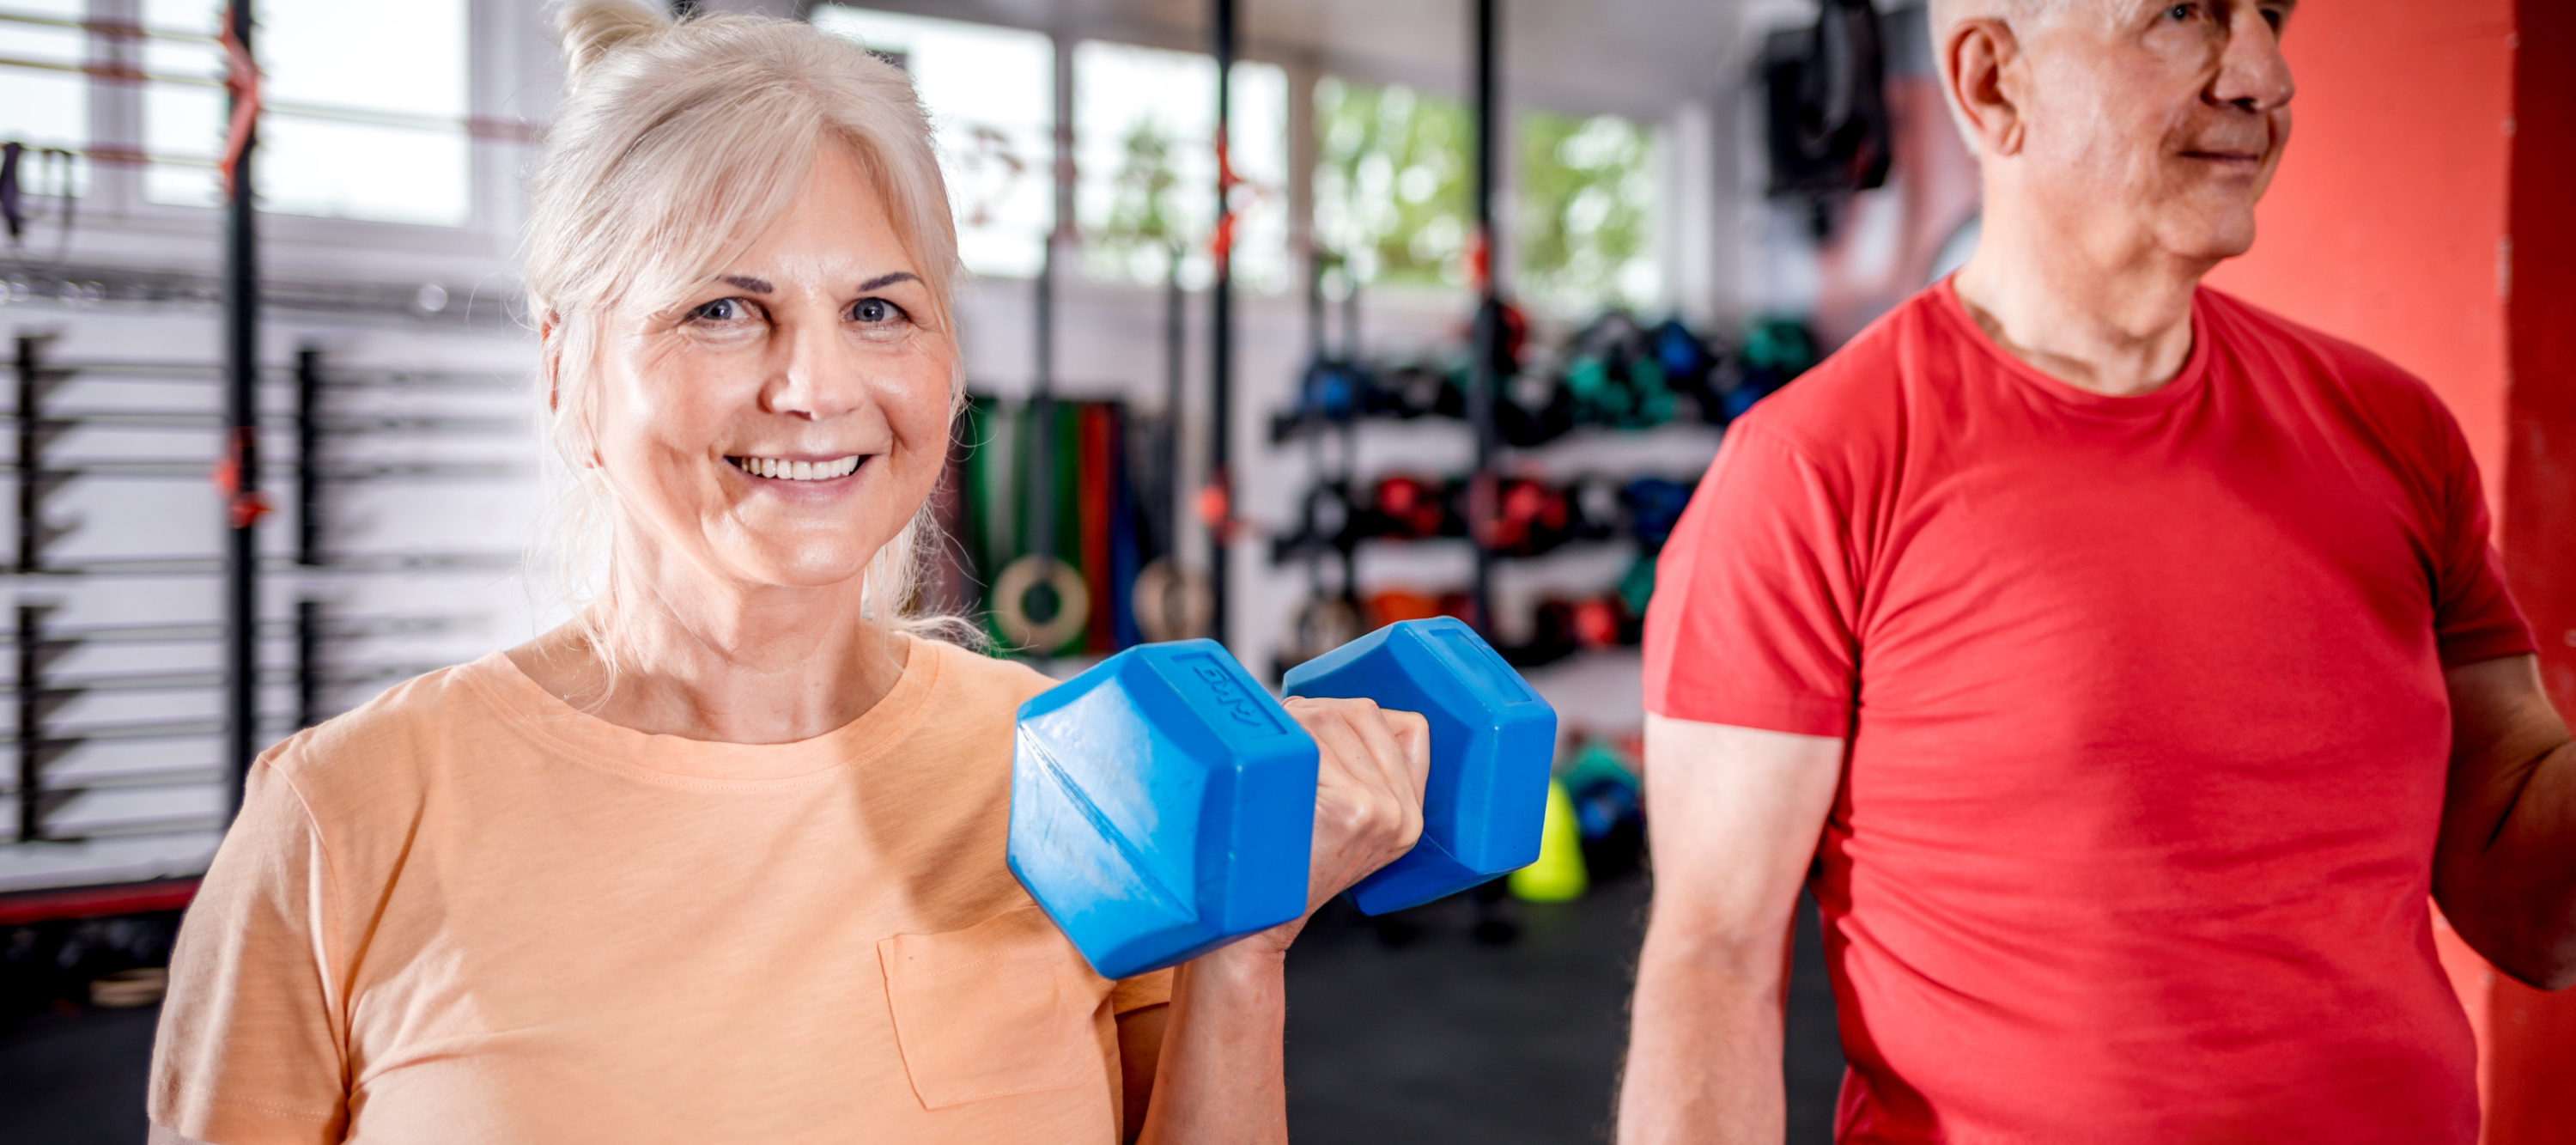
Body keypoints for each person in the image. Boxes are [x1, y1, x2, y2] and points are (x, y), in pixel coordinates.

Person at [144, 6, 1431, 1143]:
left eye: (879, 309)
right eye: (721, 307)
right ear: (565, 367)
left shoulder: (1079, 762)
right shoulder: (343, 817)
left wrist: (1244, 950)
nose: (814, 388)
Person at [1619, 1, 2574, 1142]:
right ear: (1992, 82)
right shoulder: (1813, 468)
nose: (2267, 76)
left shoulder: (2392, 427)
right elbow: (1716, 960)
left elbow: (2535, 916)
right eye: (2183, 14)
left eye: (2270, 17)